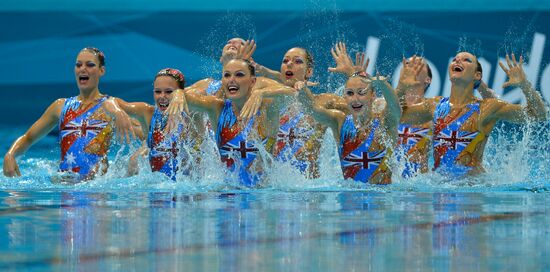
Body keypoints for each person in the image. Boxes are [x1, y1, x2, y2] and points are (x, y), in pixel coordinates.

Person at [398, 52, 547, 177]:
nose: (457, 60)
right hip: (440, 189)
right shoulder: (435, 105)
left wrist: (525, 85)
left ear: (477, 75)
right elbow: (398, 116)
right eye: (455, 59)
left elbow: (538, 115)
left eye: (466, 60)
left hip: (472, 190)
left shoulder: (487, 108)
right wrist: (401, 87)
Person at [3, 47, 135, 181]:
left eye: (90, 65)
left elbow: (146, 132)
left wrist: (140, 154)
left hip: (97, 190)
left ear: (101, 70)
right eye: (78, 65)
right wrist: (10, 154)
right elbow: (28, 138)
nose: (83, 69)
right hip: (64, 185)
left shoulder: (111, 106)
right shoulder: (60, 107)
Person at [172, 59, 297, 186]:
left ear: (252, 81)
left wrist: (262, 92)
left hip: (262, 196)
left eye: (239, 75)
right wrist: (178, 93)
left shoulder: (266, 109)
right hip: (227, 194)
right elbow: (191, 100)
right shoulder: (217, 107)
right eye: (227, 75)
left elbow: (291, 93)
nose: (231, 79)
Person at [297, 67, 402, 184]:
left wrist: (383, 85)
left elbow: (395, 108)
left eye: (361, 93)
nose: (355, 99)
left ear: (373, 95)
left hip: (381, 199)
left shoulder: (384, 123)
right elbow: (313, 109)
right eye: (350, 93)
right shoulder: (339, 122)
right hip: (349, 198)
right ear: (344, 97)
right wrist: (302, 90)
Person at [116, 68, 196, 180]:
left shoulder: (191, 115)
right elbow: (110, 101)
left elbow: (203, 91)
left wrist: (181, 93)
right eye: (158, 91)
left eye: (169, 92)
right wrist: (117, 112)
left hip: (186, 190)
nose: (162, 96)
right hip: (156, 189)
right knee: (135, 159)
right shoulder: (149, 113)